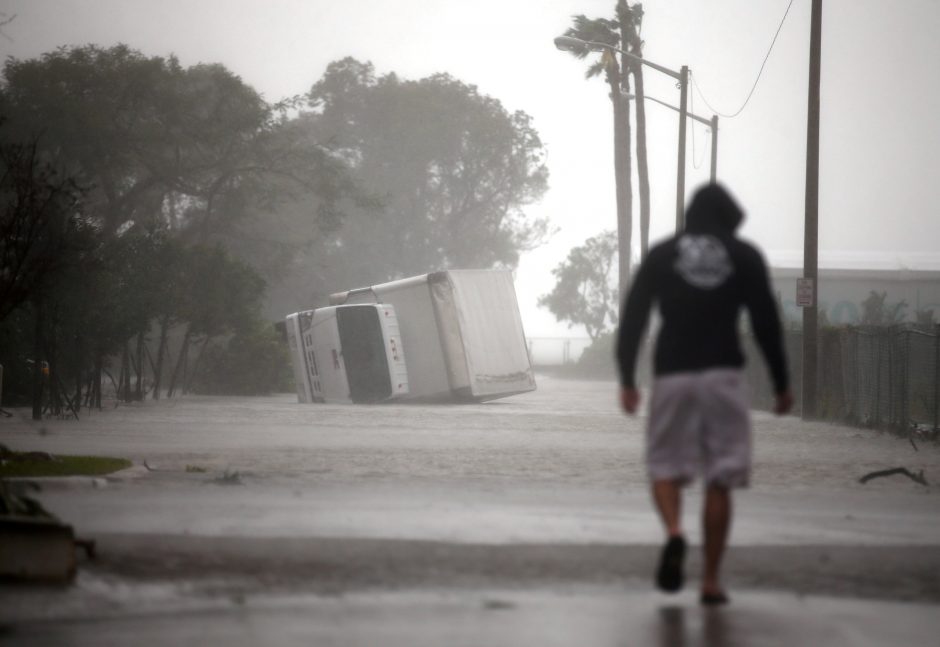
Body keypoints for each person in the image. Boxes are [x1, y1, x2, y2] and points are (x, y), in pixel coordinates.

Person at [616, 183, 793, 605]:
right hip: (723, 375)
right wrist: (782, 382)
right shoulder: (744, 255)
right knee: (720, 477)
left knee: (663, 466)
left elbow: (635, 317)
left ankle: (675, 533)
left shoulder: (662, 254)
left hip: (672, 374)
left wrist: (627, 379)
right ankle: (711, 581)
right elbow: (766, 321)